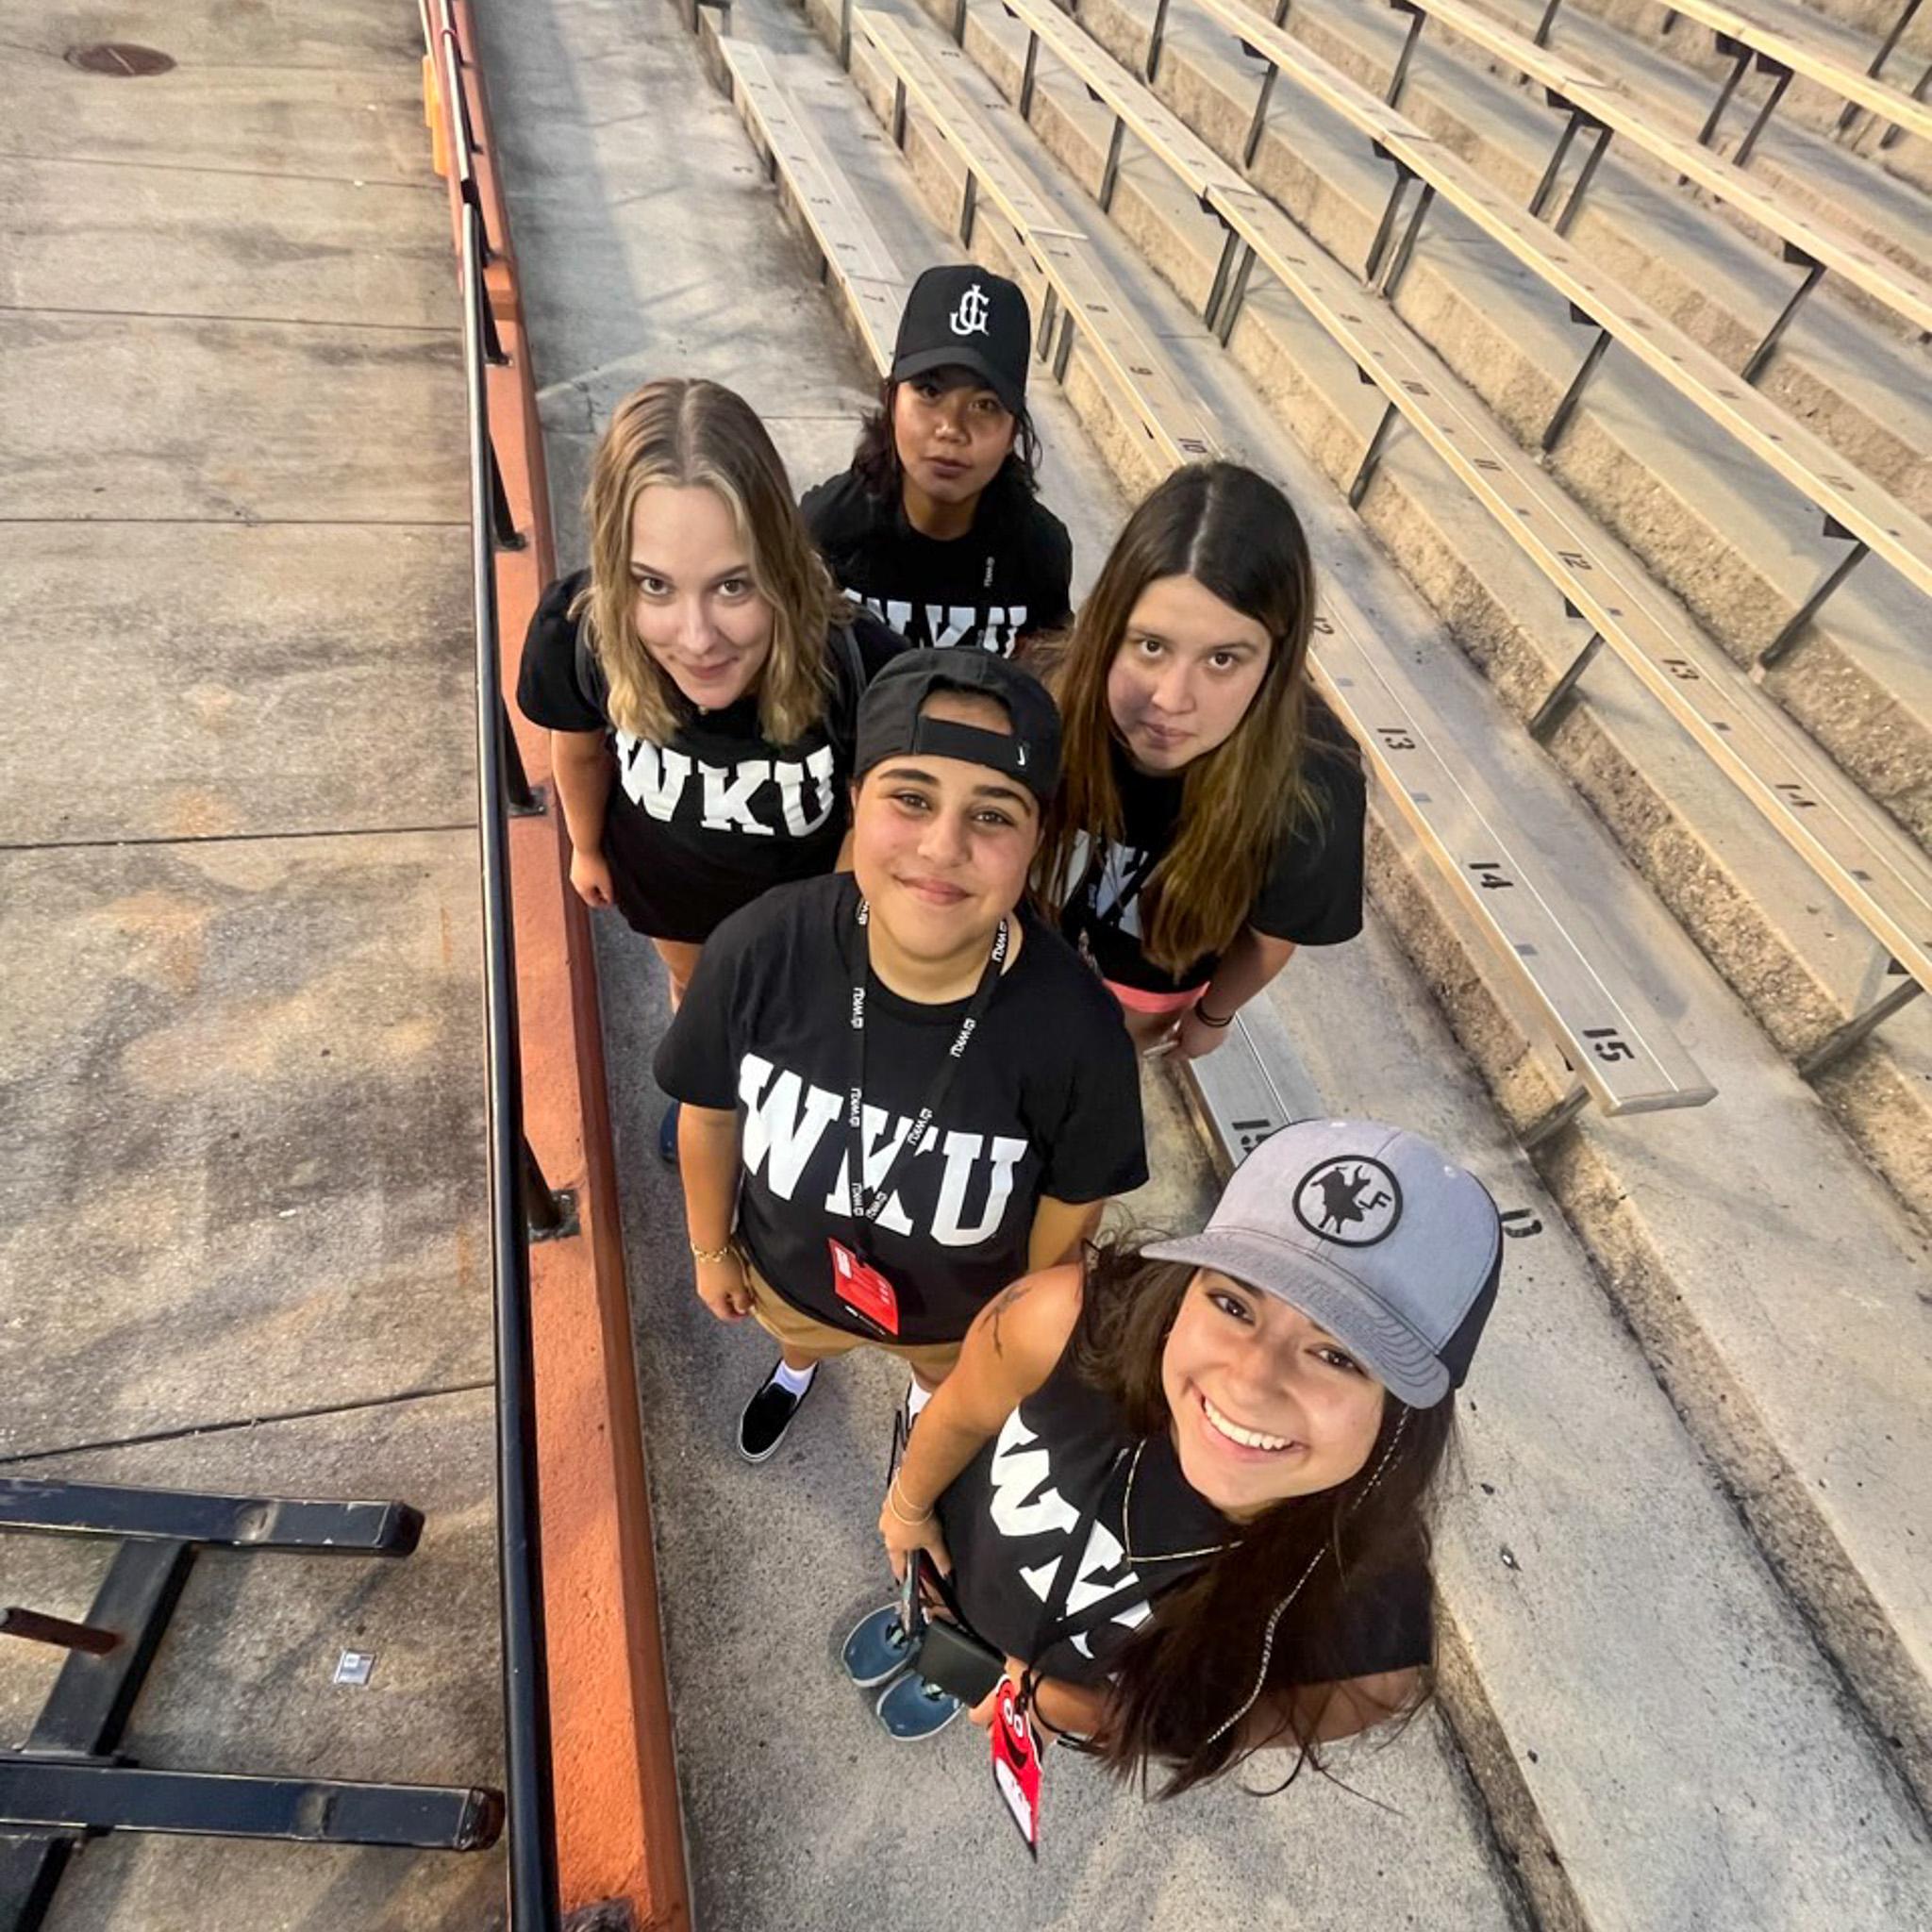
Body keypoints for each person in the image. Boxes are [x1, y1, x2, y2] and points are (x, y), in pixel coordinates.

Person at [861, 1118, 1500, 1774]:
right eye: (1233, 1304)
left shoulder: (1367, 1630)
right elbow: (963, 1408)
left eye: (1338, 1355)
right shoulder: (1064, 1323)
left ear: (1405, 1416)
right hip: (954, 1567)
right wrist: (908, 1509)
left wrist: (1088, 1716)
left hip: (1065, 1683)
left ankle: (953, 1674)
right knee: (934, 1624)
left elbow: (1240, 1721)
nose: (1250, 1383)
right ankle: (927, 1641)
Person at [653, 650, 1147, 1464]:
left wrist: (1008, 1324)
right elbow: (709, 1109)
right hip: (788, 1273)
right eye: (911, 798)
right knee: (801, 1336)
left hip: (957, 1313)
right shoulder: (764, 946)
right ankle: (797, 1368)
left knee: (935, 1370)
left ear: (1038, 837)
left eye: (993, 815)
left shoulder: (1077, 1030)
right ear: (855, 801)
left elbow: (1073, 1199)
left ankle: (923, 1402)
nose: (942, 846)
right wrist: (711, 1249)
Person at [517, 377, 904, 1157]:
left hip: (804, 912)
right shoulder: (582, 636)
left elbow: (873, 808)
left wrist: (839, 922)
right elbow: (580, 745)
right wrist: (586, 847)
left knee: (800, 1019)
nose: (696, 638)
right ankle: (711, 1091)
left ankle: (779, 1111)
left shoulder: (855, 663)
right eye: (654, 585)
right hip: (673, 898)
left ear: (783, 562)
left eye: (733, 585)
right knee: (699, 997)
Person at [1038, 462, 1365, 1058]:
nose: (1170, 699)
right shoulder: (1040, 700)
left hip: (1140, 1001)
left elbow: (1271, 936)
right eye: (1152, 646)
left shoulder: (1313, 789)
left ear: (1276, 660)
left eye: (1222, 660)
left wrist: (1213, 1016)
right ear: (1108, 627)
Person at [802, 265, 1073, 658]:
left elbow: (1050, 686)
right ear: (893, 399)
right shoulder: (829, 527)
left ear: (1014, 430)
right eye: (930, 390)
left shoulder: (1038, 551)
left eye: (985, 405)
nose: (952, 428)